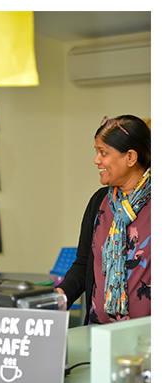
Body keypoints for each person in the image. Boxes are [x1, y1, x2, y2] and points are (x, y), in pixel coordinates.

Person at [56, 115, 151, 325]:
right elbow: (83, 264)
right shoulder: (100, 201)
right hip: (97, 333)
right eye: (96, 152)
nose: (96, 160)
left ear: (131, 157)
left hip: (146, 341)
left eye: (103, 153)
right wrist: (59, 298)